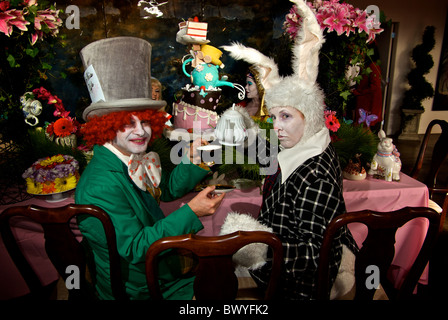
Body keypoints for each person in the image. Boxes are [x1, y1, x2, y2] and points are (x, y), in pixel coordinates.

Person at [222, 0, 357, 300]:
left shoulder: (315, 173)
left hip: (300, 287)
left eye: (286, 116)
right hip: (282, 263)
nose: (277, 126)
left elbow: (314, 252)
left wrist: (261, 251)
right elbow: (267, 155)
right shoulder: (301, 144)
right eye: (273, 116)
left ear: (309, 116)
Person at [75, 37, 224, 300]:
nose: (141, 131)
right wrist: (192, 211)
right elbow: (134, 248)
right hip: (140, 289)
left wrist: (194, 159)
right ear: (106, 126)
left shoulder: (130, 159)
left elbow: (164, 191)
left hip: (159, 270)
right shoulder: (101, 184)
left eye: (145, 121)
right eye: (126, 123)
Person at [352, 44, 383, 128]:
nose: (360, 53)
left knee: (366, 125)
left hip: (369, 101)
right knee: (362, 125)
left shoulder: (373, 66)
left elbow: (375, 86)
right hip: (364, 99)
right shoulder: (367, 65)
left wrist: (359, 92)